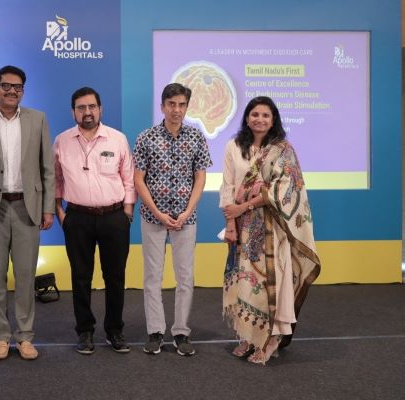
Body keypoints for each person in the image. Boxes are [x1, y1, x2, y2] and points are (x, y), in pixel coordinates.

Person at [220, 96, 321, 365]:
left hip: (273, 227)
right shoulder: (234, 146)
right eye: (255, 114)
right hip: (242, 226)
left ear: (273, 119)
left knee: (270, 282)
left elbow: (283, 189)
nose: (260, 119)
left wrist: (245, 206)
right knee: (245, 280)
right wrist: (230, 223)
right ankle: (247, 335)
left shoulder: (283, 150)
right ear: (246, 117)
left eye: (265, 115)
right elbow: (228, 186)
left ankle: (271, 339)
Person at [0, 65, 55, 361]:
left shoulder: (37, 119)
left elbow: (47, 168)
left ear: (23, 91)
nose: (12, 91)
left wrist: (48, 208)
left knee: (26, 276)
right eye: (6, 86)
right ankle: (1, 337)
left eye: (18, 87)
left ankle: (25, 336)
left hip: (28, 208)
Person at [53, 87, 135, 355]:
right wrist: (60, 212)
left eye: (92, 107)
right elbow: (55, 179)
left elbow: (128, 177)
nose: (87, 112)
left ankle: (114, 330)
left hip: (114, 217)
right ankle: (85, 331)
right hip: (77, 218)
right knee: (80, 278)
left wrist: (127, 211)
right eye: (81, 108)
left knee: (115, 277)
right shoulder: (62, 141)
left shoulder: (117, 139)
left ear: (100, 109)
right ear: (73, 112)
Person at [133, 83, 212, 356]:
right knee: (152, 277)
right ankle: (155, 331)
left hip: (185, 219)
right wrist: (157, 212)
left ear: (186, 107)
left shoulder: (196, 137)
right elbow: (138, 179)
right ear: (162, 106)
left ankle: (181, 332)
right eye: (171, 104)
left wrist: (188, 210)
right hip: (152, 217)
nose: (176, 110)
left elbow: (200, 177)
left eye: (181, 105)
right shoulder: (146, 137)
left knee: (185, 277)